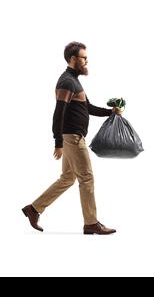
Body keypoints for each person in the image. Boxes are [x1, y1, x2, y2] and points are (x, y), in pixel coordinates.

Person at [22, 41, 122, 235]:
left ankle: (33, 209)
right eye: (84, 57)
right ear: (73, 59)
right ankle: (91, 223)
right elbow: (58, 113)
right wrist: (58, 142)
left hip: (72, 137)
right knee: (86, 177)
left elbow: (88, 108)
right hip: (73, 138)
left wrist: (112, 112)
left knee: (68, 178)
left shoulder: (74, 81)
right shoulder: (66, 82)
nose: (87, 60)